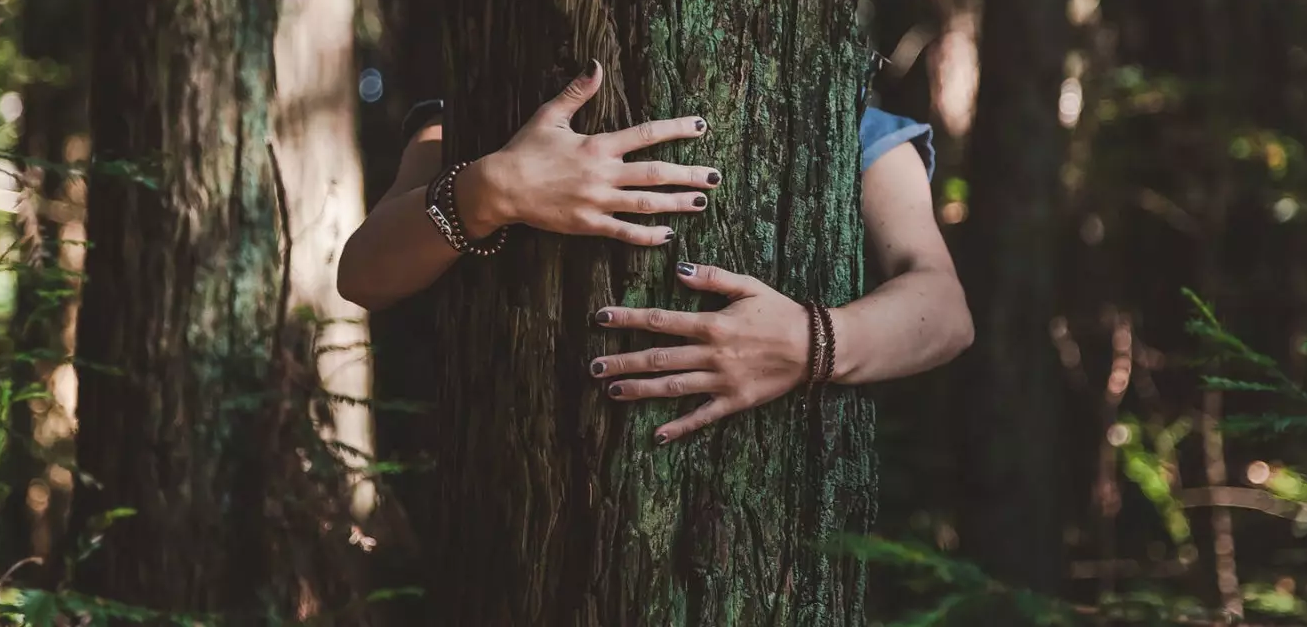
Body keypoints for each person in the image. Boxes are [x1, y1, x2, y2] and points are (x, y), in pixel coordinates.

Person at [338, 61, 973, 444]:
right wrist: (492, 189)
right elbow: (364, 274)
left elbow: (944, 310)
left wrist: (812, 342)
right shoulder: (474, 110)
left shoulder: (849, 125)